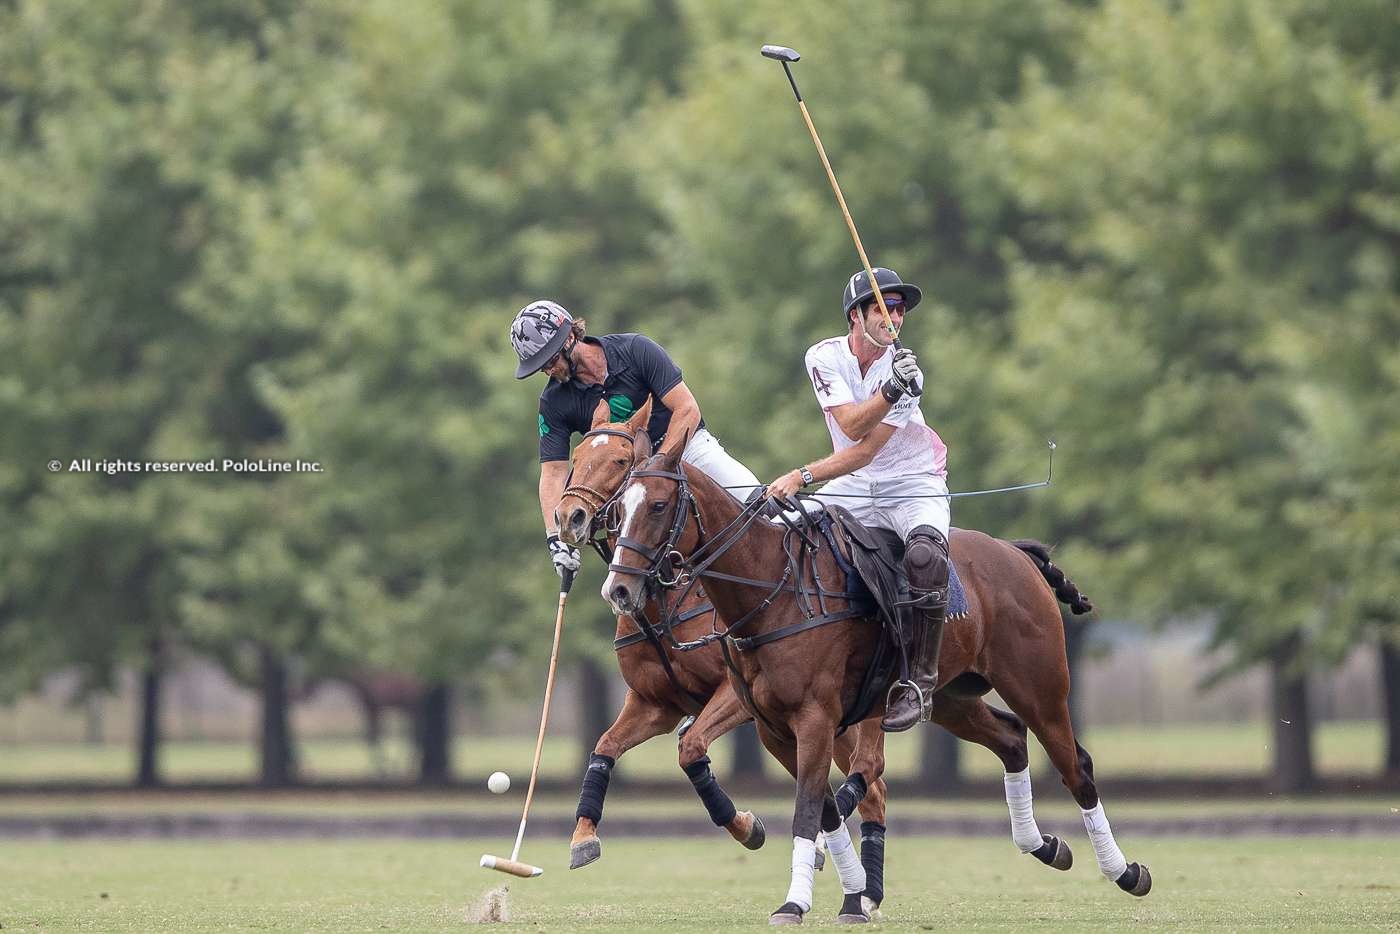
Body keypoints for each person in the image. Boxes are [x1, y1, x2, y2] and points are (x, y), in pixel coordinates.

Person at [766, 268, 950, 732]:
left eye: (900, 310)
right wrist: (888, 391)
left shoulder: (908, 371)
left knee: (926, 557)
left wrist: (802, 475)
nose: (894, 318)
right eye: (882, 309)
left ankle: (919, 682)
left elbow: (864, 446)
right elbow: (850, 424)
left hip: (914, 481)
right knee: (774, 531)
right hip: (854, 484)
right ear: (856, 316)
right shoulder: (823, 357)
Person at [511, 300, 762, 580]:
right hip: (628, 482)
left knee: (759, 504)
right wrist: (555, 538)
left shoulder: (635, 350)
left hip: (686, 450)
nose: (548, 370)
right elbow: (553, 472)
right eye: (541, 367)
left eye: (550, 360)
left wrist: (658, 466)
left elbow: (687, 409)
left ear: (570, 337)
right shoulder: (553, 402)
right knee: (626, 576)